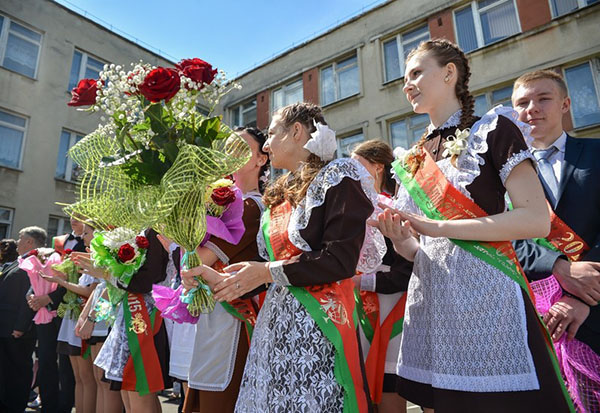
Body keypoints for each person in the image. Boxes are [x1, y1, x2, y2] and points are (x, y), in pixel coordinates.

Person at [370, 39, 573, 412]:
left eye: (416, 73)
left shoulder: (492, 129)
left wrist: (440, 228)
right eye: (404, 78)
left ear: (449, 73)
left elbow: (534, 219)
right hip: (437, 307)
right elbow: (420, 250)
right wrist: (402, 241)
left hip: (490, 302)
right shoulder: (412, 159)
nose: (407, 84)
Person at [193, 102, 384, 412]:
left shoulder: (337, 176)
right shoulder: (280, 193)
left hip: (318, 330)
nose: (266, 145)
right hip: (276, 331)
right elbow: (264, 271)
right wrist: (219, 278)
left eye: (271, 134)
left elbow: (339, 261)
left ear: (296, 131)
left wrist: (266, 272)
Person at [512, 69, 600, 412]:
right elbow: (509, 240)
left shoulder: (596, 152)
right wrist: (560, 269)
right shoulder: (505, 175)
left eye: (543, 98)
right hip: (538, 320)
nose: (532, 108)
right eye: (522, 103)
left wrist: (586, 295)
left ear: (565, 104)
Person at [181, 126, 269, 413]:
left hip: (237, 317)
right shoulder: (216, 205)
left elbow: (199, 260)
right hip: (212, 313)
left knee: (223, 401)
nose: (230, 153)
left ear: (261, 159)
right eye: (228, 146)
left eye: (241, 147)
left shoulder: (253, 206)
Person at [73, 228, 172, 413]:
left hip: (147, 317)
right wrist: (91, 316)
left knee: (137, 387)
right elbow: (108, 288)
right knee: (126, 389)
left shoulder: (155, 231)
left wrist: (107, 274)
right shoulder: (137, 231)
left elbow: (145, 281)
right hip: (127, 315)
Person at [351, 140, 413, 413]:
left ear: (378, 168)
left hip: (392, 309)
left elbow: (405, 272)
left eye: (358, 164)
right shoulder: (352, 207)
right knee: (361, 383)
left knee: (388, 381)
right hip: (361, 307)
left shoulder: (394, 208)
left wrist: (361, 281)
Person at [42, 223, 101, 413]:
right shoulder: (87, 259)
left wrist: (61, 282)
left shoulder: (101, 262)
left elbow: (89, 291)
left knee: (90, 379)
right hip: (74, 316)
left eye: (87, 233)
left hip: (86, 317)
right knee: (80, 378)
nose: (83, 237)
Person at [0, 239, 36, 412]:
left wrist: (21, 326)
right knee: (6, 371)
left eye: (21, 238)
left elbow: (28, 297)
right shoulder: (16, 262)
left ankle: (15, 406)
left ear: (29, 241)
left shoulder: (34, 263)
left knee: (18, 371)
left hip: (17, 329)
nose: (18, 241)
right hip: (4, 326)